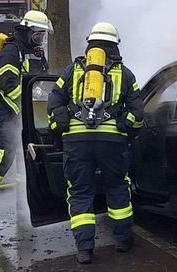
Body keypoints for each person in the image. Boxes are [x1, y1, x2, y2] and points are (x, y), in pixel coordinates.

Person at [47, 22, 144, 265]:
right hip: (112, 143)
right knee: (117, 188)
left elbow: (53, 105)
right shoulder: (125, 74)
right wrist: (126, 129)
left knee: (80, 192)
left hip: (76, 142)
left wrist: (60, 130)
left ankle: (84, 250)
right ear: (114, 46)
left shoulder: (72, 71)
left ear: (90, 44)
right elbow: (138, 113)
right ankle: (122, 241)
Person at [0, 10, 53, 218]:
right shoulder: (10, 51)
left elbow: (41, 81)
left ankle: (23, 198)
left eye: (42, 36)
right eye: (37, 35)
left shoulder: (36, 53)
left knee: (25, 156)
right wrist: (24, 108)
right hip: (7, 109)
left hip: (27, 110)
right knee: (4, 153)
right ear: (26, 31)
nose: (40, 40)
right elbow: (9, 85)